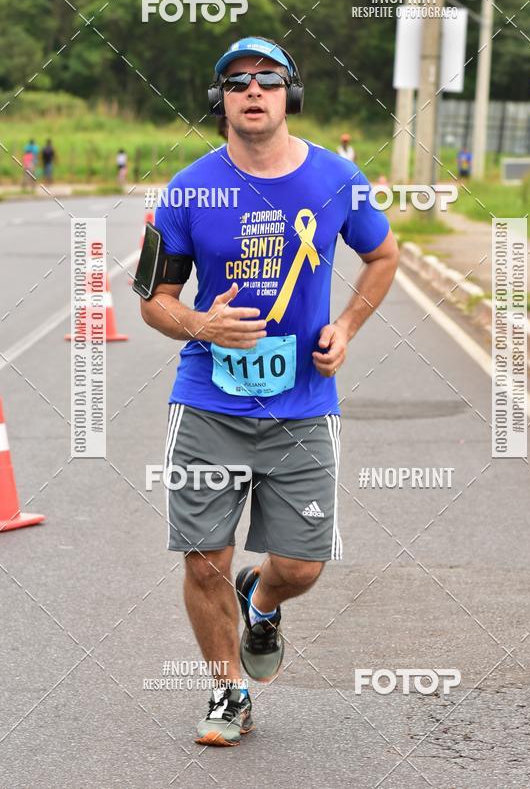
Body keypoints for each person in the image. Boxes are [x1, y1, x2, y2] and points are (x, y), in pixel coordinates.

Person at [137, 36, 399, 746]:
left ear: (290, 95)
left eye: (269, 79)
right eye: (237, 80)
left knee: (304, 565)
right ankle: (229, 692)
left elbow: (382, 253)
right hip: (209, 401)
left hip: (304, 405)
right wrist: (200, 321)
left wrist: (346, 325)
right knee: (203, 556)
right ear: (219, 99)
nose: (253, 90)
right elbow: (153, 299)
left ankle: (263, 594)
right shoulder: (187, 191)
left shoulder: (337, 179)